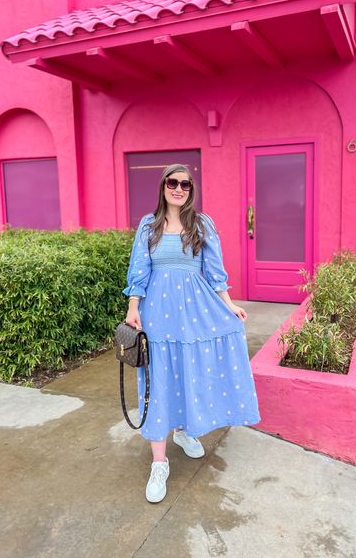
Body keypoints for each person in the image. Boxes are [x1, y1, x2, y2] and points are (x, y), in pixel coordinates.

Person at [123, 163, 261, 503]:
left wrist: (228, 305)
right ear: (163, 186)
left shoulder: (202, 224)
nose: (179, 188)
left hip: (195, 313)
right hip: (157, 316)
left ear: (190, 189)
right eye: (173, 182)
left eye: (185, 183)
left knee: (188, 373)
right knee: (159, 381)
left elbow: (215, 272)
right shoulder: (148, 225)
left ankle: (184, 432)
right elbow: (139, 271)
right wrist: (133, 307)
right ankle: (159, 463)